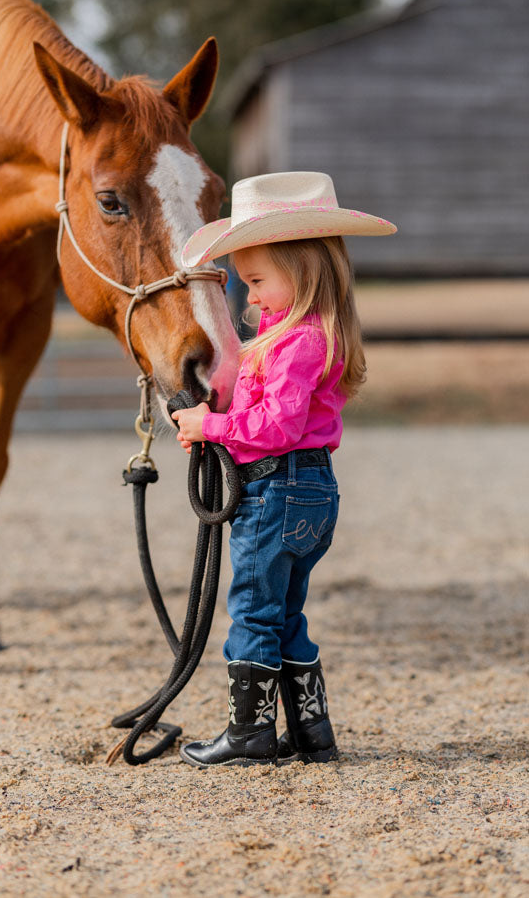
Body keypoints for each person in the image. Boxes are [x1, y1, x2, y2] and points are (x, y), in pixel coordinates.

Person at [172, 171, 396, 768]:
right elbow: (266, 412)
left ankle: (249, 734)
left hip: (278, 490)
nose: (250, 298)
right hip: (310, 491)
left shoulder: (298, 342)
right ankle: (310, 730)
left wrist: (210, 428)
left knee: (252, 608)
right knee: (285, 611)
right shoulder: (303, 336)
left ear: (302, 271)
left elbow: (275, 429)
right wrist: (211, 413)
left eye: (256, 281)